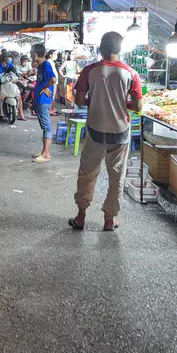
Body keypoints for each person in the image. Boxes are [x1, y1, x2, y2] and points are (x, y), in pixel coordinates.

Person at [69, 31, 143, 232]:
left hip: (95, 129)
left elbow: (79, 100)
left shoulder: (90, 71)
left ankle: (81, 216)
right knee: (116, 176)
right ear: (120, 49)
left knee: (87, 173)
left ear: (101, 48)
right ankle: (109, 220)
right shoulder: (131, 73)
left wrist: (97, 101)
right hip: (120, 132)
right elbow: (137, 106)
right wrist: (120, 102)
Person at [30, 44, 57, 163]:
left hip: (43, 100)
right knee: (44, 126)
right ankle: (43, 152)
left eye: (31, 53)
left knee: (46, 127)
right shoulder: (41, 65)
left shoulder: (46, 65)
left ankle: (46, 154)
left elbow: (53, 79)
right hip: (40, 100)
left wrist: (46, 87)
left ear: (35, 54)